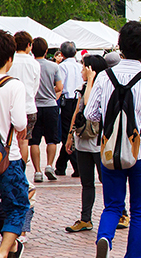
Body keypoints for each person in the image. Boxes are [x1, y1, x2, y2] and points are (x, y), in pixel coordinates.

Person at [84, 21, 141, 258]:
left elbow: (91, 114)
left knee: (112, 206)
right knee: (139, 210)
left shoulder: (104, 76)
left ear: (121, 46)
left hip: (109, 150)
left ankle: (104, 239)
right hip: (140, 151)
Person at [0, 30, 30, 258]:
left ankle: (11, 248)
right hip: (8, 157)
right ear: (9, 58)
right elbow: (19, 122)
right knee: (17, 206)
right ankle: (3, 252)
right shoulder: (14, 85)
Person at [65, 54, 108, 233]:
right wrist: (69, 136)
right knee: (87, 183)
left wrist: (91, 81)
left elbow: (90, 108)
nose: (81, 71)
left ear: (92, 70)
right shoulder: (83, 87)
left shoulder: (103, 87)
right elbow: (78, 111)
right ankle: (85, 219)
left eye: (84, 68)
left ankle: (121, 213)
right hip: (83, 142)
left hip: (98, 144)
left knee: (106, 180)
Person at [30, 37, 63, 183]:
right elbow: (60, 87)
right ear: (46, 50)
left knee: (34, 141)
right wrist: (51, 90)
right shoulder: (53, 67)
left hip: (34, 105)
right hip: (51, 105)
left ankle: (37, 171)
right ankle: (49, 165)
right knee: (52, 139)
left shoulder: (31, 65)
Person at [8, 32, 40, 174]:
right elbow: (35, 86)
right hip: (29, 106)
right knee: (24, 141)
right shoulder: (34, 63)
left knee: (9, 140)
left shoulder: (10, 60)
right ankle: (22, 172)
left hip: (10, 105)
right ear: (29, 45)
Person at [57, 41, 83, 177]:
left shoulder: (62, 67)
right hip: (78, 99)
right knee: (73, 132)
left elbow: (60, 86)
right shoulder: (80, 66)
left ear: (61, 54)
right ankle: (60, 165)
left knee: (67, 133)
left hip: (67, 101)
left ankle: (76, 165)